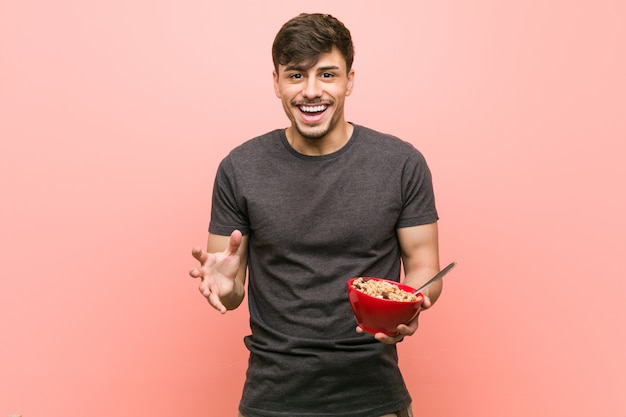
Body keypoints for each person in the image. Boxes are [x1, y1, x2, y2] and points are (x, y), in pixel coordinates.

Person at [189, 13, 442, 417]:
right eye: (295, 75)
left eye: (327, 75)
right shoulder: (240, 168)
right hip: (273, 398)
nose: (311, 91)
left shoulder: (401, 163)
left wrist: (408, 307)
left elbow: (423, 264)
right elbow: (231, 292)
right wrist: (225, 285)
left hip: (373, 397)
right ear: (276, 82)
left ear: (349, 80)